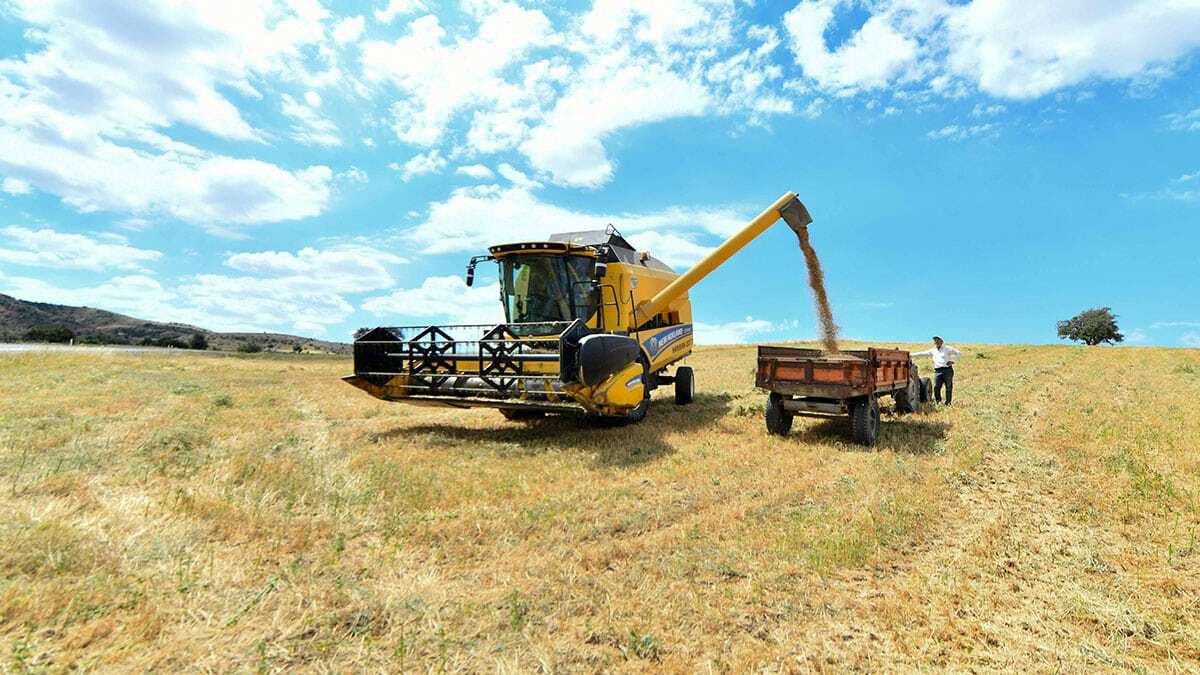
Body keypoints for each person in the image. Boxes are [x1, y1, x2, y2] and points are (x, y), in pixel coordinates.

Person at [910, 336, 961, 405]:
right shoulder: (933, 351)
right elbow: (923, 354)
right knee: (936, 387)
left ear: (941, 341)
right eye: (935, 341)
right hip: (938, 371)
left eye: (937, 340)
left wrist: (953, 361)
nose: (936, 342)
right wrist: (911, 355)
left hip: (947, 370)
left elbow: (958, 353)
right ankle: (938, 402)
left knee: (948, 387)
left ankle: (948, 403)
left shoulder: (947, 349)